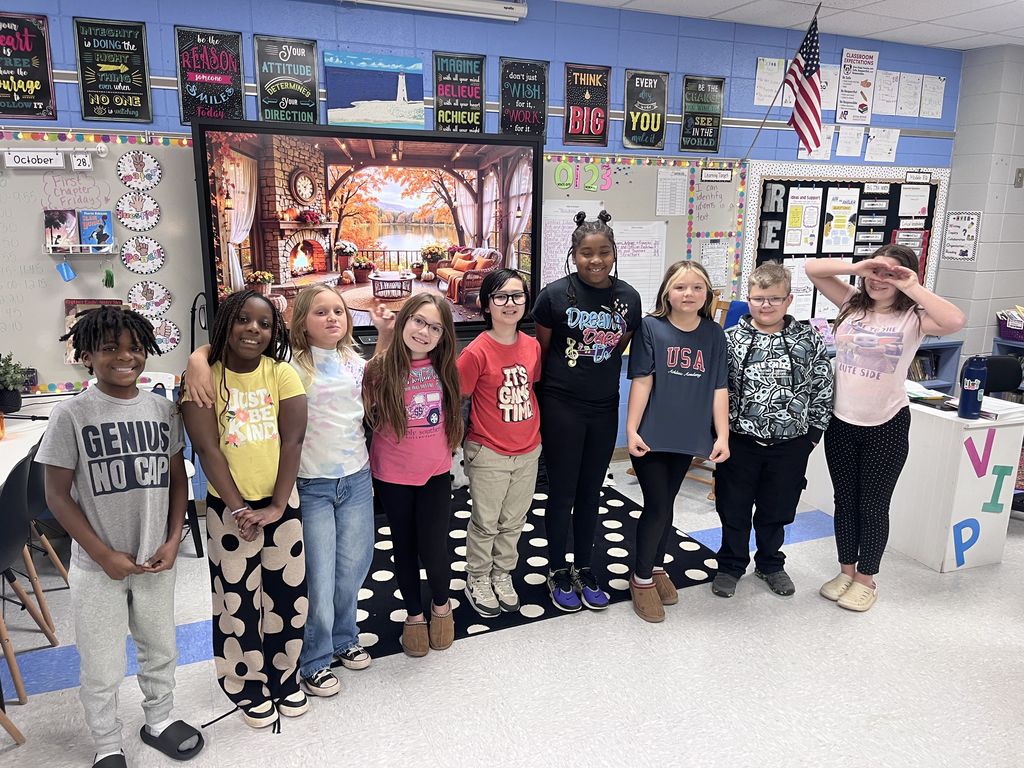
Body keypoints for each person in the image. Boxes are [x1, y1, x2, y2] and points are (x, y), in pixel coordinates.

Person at [184, 285, 393, 698]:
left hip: (355, 479)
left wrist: (385, 332)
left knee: (354, 565)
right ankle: (314, 659)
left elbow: (380, 375)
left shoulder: (353, 361)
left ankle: (344, 636)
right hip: (310, 485)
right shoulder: (288, 366)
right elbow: (238, 344)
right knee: (316, 575)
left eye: (339, 311)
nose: (332, 318)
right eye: (320, 311)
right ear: (300, 322)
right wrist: (196, 358)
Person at [39, 306, 203, 768]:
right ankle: (107, 742)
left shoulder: (161, 409)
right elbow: (56, 495)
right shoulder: (71, 415)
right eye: (110, 348)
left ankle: (160, 719)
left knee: (160, 646)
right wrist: (102, 554)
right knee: (102, 663)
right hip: (97, 568)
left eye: (134, 347)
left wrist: (174, 539)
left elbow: (177, 478)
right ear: (87, 355)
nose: (125, 357)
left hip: (155, 561)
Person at [806, 246, 964, 611]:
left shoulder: (915, 316)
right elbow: (813, 269)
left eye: (891, 274)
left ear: (906, 278)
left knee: (873, 505)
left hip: (887, 423)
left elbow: (955, 320)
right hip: (842, 420)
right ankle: (846, 571)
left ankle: (867, 578)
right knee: (844, 502)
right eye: (877, 272)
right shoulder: (851, 303)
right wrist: (861, 267)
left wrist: (913, 286)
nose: (880, 280)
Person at [181, 290, 309, 728]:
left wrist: (276, 506)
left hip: (281, 506)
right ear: (225, 325)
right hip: (227, 510)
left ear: (274, 333)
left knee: (288, 596)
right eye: (243, 320)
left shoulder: (282, 375)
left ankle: (285, 675)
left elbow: (291, 442)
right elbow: (207, 448)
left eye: (264, 323)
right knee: (236, 599)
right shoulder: (204, 377)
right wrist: (239, 510)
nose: (254, 329)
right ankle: (246, 682)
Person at [532, 210, 642, 611]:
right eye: (586, 253)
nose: (595, 260)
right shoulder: (554, 295)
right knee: (561, 492)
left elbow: (618, 347)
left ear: (614, 253)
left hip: (604, 407)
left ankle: (584, 566)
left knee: (591, 491)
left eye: (603, 252)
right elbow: (541, 353)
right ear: (573, 255)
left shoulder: (629, 298)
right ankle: (558, 570)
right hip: (560, 404)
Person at [711, 261, 834, 600]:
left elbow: (823, 385)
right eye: (758, 298)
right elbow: (717, 390)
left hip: (791, 443)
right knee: (733, 507)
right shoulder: (729, 340)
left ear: (789, 300)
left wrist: (813, 435)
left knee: (777, 509)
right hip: (740, 441)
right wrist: (717, 434)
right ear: (748, 299)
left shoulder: (808, 339)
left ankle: (770, 563)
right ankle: (731, 564)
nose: (766, 306)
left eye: (774, 299)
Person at [626, 261, 729, 622]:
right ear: (667, 292)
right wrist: (632, 429)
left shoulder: (715, 334)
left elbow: (719, 387)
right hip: (652, 435)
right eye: (681, 287)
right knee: (656, 504)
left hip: (689, 435)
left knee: (667, 503)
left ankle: (655, 568)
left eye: (697, 287)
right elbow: (642, 380)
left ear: (707, 294)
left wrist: (723, 434)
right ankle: (640, 579)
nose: (689, 294)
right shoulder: (651, 328)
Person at [363, 294, 463, 656]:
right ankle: (414, 613)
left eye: (435, 327)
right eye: (419, 321)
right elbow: (370, 406)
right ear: (404, 320)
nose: (425, 331)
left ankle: (441, 604)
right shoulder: (379, 368)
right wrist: (383, 335)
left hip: (435, 473)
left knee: (434, 548)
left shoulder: (444, 366)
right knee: (404, 547)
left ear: (443, 336)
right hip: (392, 475)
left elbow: (453, 412)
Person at [458, 269, 542, 617]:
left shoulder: (533, 345)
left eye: (517, 295)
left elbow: (531, 387)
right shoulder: (476, 352)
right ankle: (477, 576)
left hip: (528, 450)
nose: (510, 303)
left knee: (514, 520)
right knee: (485, 520)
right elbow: (459, 399)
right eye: (501, 297)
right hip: (488, 451)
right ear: (486, 304)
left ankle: (502, 573)